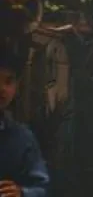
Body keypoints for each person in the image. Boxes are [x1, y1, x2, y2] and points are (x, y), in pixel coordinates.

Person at [0, 49, 49, 197]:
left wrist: (22, 193)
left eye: (8, 81)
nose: (2, 89)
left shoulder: (23, 138)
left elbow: (42, 188)